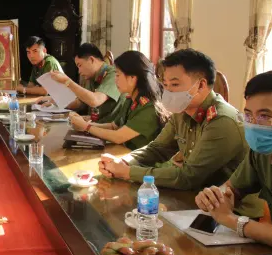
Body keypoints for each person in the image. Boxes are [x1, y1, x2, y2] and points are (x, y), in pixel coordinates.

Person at [99, 50, 257, 201]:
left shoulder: (221, 121)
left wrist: (128, 172)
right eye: (165, 85)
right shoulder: (182, 111)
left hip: (231, 209)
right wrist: (124, 162)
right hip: (194, 198)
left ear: (201, 85)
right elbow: (158, 149)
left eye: (174, 85)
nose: (168, 92)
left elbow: (188, 177)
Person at [195, 70, 272, 251]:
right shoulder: (263, 151)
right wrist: (215, 198)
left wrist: (233, 221)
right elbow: (232, 189)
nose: (253, 125)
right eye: (248, 116)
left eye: (265, 117)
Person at [68, 51, 168, 150]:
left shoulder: (149, 108)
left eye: (118, 75)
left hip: (141, 159)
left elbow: (118, 137)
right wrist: (84, 124)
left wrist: (86, 127)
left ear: (132, 78)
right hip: (125, 152)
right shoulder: (130, 100)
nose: (115, 80)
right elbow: (113, 126)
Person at [38, 43, 121, 123]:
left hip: (108, 129)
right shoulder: (92, 77)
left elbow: (95, 101)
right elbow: (79, 103)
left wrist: (67, 81)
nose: (79, 71)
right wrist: (56, 101)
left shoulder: (114, 75)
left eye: (80, 65)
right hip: (92, 124)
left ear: (91, 60)